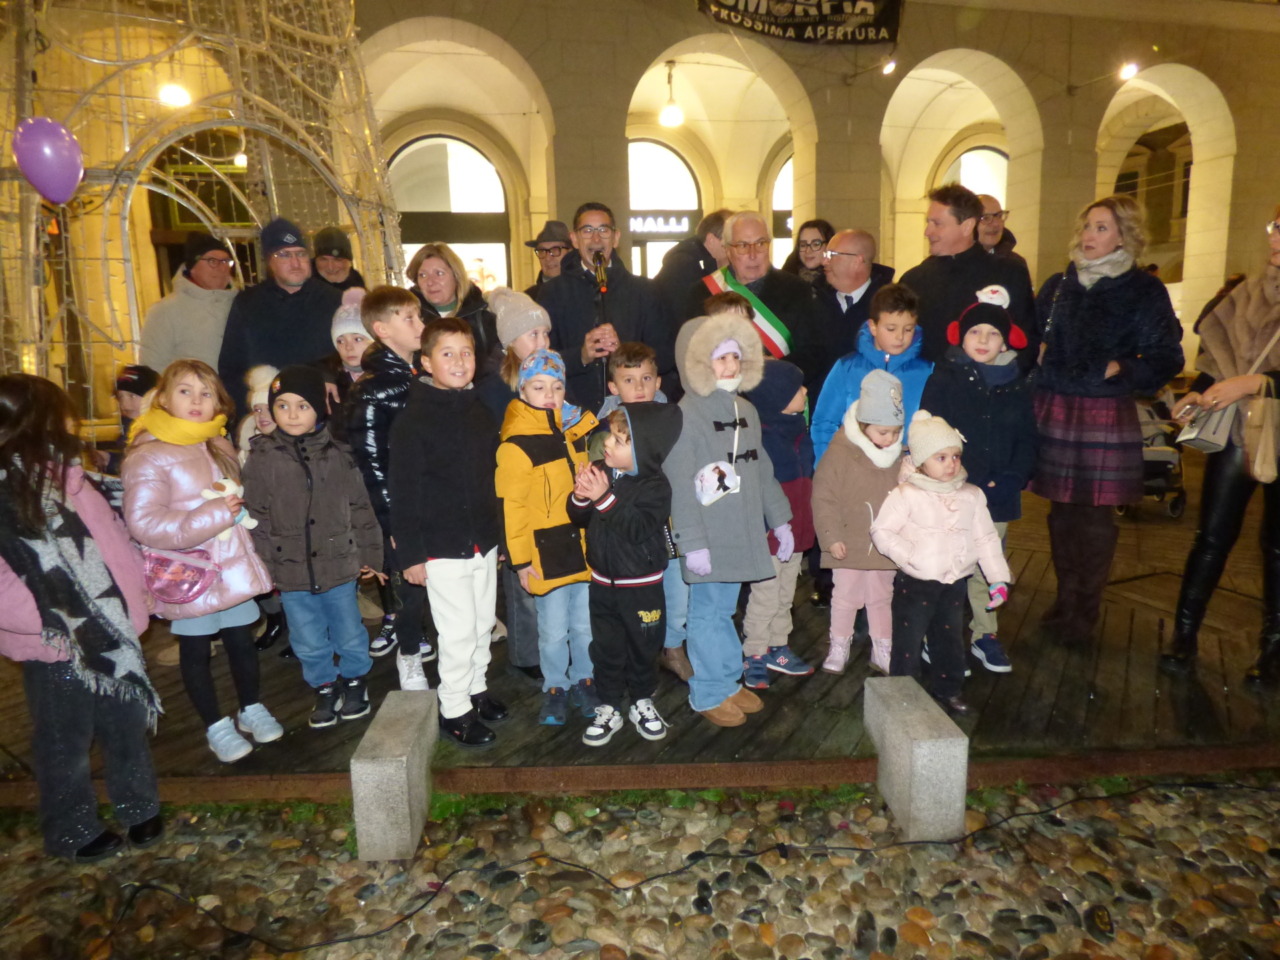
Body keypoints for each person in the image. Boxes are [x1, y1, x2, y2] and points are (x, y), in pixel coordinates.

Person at [0, 374, 163, 863]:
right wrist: (56, 617)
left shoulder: (70, 474)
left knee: (125, 724)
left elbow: (109, 536)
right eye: (62, 410)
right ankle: (71, 828)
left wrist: (137, 586)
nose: (73, 418)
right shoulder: (8, 493)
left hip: (112, 632)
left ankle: (138, 806)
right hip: (57, 645)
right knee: (63, 740)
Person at [1031, 194, 1184, 643]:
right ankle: (1064, 598)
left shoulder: (1143, 288)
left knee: (1096, 517)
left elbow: (1166, 355)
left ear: (1124, 234)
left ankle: (1085, 612)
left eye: (1101, 227)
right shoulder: (1059, 284)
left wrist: (1122, 368)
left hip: (1103, 407)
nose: (1089, 236)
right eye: (1087, 226)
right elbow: (1030, 334)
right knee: (1061, 513)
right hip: (1057, 403)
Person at [122, 360, 281, 763]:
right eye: (185, 391)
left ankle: (251, 706)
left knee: (242, 642)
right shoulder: (149, 454)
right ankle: (215, 724)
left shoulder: (217, 442)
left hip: (232, 565)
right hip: (188, 573)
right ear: (164, 398)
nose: (196, 401)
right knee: (195, 651)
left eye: (206, 393)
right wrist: (215, 515)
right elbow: (144, 522)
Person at [1161, 208, 1280, 682]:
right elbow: (1219, 359)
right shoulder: (1248, 293)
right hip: (1238, 430)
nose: (1277, 239)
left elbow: (1248, 375)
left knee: (1277, 546)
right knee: (1212, 535)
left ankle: (1273, 652)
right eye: (1275, 228)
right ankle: (1183, 638)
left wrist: (1255, 383)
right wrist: (1201, 390)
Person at [664, 311, 792, 727]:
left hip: (741, 531)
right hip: (708, 536)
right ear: (696, 362)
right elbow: (680, 485)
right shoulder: (686, 415)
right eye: (720, 359)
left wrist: (781, 519)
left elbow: (763, 470)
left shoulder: (746, 412)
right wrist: (691, 542)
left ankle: (727, 680)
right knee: (706, 614)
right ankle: (707, 692)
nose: (731, 367)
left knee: (724, 611)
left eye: (736, 357)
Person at [242, 365, 382, 727]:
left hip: (338, 563)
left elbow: (360, 507)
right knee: (306, 637)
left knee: (348, 628)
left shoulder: (339, 454)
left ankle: (354, 679)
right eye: (283, 406)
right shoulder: (262, 458)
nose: (292, 414)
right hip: (289, 569)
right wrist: (264, 565)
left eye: (302, 406)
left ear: (320, 409)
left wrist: (371, 554)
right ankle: (323, 684)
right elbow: (255, 516)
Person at [390, 318, 507, 746]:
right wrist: (412, 556)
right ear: (425, 362)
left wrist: (496, 539)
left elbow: (490, 480)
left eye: (467, 352)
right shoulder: (413, 421)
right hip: (440, 546)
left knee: (480, 625)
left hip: (481, 540)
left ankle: (475, 688)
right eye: (447, 353)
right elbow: (402, 493)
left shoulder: (479, 410)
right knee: (456, 631)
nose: (460, 361)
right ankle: (454, 708)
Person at [920, 298, 1038, 674]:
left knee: (989, 564)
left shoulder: (1016, 385)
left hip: (998, 493)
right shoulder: (945, 377)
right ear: (962, 336)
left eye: (993, 333)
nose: (984, 339)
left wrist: (1013, 477)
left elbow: (1027, 438)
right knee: (947, 561)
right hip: (952, 488)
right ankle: (939, 634)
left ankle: (984, 633)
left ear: (1006, 342)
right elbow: (928, 430)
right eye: (975, 332)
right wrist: (949, 473)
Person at [871, 411, 1011, 717]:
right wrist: (910, 556)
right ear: (921, 461)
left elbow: (987, 538)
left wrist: (998, 578)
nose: (951, 464)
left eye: (955, 456)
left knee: (949, 640)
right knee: (908, 642)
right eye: (941, 457)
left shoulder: (972, 496)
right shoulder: (906, 494)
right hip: (916, 582)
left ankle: (949, 689)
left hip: (954, 583)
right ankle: (902, 694)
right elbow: (881, 531)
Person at [496, 349, 600, 726]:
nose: (550, 394)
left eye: (557, 386)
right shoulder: (516, 443)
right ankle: (555, 685)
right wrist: (521, 560)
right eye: (539, 387)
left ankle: (584, 679)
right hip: (545, 553)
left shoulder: (573, 432)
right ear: (523, 391)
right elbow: (513, 508)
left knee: (585, 623)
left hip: (581, 547)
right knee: (553, 629)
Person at [568, 402, 682, 745]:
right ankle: (609, 707)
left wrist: (602, 497)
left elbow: (636, 528)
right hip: (602, 583)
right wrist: (579, 496)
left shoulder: (656, 487)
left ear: (642, 449)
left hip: (642, 586)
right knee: (606, 648)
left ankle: (642, 701)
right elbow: (578, 518)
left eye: (618, 441)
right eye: (611, 437)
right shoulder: (603, 471)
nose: (607, 445)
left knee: (644, 647)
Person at [345, 286, 432, 687]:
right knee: (408, 586)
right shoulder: (373, 387)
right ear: (382, 329)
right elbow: (371, 461)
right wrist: (391, 520)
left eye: (419, 316)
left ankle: (433, 644)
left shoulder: (423, 376)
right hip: (400, 505)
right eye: (409, 318)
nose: (420, 325)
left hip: (430, 496)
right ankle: (409, 653)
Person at [537, 202, 675, 410]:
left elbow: (666, 356)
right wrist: (581, 355)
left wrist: (625, 352)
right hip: (573, 413)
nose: (596, 238)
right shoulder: (550, 294)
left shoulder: (645, 291)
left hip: (633, 413)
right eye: (587, 231)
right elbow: (539, 361)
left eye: (603, 230)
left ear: (616, 237)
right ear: (574, 239)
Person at [811, 370, 904, 675]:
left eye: (894, 432)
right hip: (847, 541)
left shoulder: (900, 456)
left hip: (884, 544)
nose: (889, 439)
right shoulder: (840, 453)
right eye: (882, 432)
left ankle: (883, 647)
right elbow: (824, 496)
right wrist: (830, 535)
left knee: (881, 597)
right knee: (845, 596)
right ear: (863, 425)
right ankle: (839, 644)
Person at [483, 287, 550, 682]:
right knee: (522, 581)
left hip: (548, 492)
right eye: (532, 335)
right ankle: (527, 654)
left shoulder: (550, 378)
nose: (541, 342)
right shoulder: (494, 389)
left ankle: (550, 643)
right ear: (510, 342)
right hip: (514, 493)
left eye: (545, 333)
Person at [686, 211, 826, 399]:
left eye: (760, 244)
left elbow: (813, 353)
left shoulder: (798, 290)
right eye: (742, 246)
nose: (753, 255)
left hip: (778, 397)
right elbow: (690, 355)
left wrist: (774, 369)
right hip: (722, 401)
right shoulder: (702, 293)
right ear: (728, 249)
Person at [898, 183, 1037, 366]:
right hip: (928, 388)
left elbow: (1026, 340)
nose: (927, 232)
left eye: (937, 224)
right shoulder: (913, 280)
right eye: (928, 223)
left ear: (967, 226)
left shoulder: (1009, 273)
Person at [740, 359, 816, 688]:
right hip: (771, 532)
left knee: (786, 594)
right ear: (777, 397)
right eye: (797, 388)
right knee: (766, 594)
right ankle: (754, 651)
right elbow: (759, 489)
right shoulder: (762, 437)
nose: (805, 391)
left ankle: (778, 645)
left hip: (797, 529)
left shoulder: (799, 429)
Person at [218, 218, 343, 416]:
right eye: (284, 255)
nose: (295, 263)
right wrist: (248, 414)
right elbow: (232, 368)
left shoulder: (334, 301)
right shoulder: (247, 304)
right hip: (266, 415)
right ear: (270, 261)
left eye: (300, 254)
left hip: (323, 415)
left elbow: (352, 357)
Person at [809, 283, 932, 464]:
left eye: (908, 329)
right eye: (891, 329)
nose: (900, 337)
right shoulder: (847, 367)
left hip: (906, 470)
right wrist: (826, 465)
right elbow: (824, 421)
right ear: (873, 327)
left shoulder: (927, 371)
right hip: (852, 465)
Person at [813, 229, 896, 401]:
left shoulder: (889, 305)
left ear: (857, 260)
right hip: (822, 408)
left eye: (831, 254)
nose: (824, 261)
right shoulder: (814, 300)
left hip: (875, 406)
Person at [406, 242, 502, 386]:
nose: (430, 282)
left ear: (456, 276)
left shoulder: (483, 318)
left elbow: (496, 369)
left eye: (439, 273)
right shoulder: (408, 320)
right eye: (423, 275)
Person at [141, 231, 237, 372]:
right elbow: (152, 367)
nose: (222, 267)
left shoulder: (243, 305)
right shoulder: (165, 311)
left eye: (226, 261)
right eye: (212, 261)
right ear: (192, 266)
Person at [653, 209, 732, 319]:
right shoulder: (683, 266)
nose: (735, 247)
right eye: (731, 240)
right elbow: (686, 317)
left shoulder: (697, 261)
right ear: (711, 240)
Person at [101, 364, 159, 476]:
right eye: (120, 397)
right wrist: (108, 458)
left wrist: (113, 463)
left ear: (153, 397)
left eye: (132, 396)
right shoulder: (129, 425)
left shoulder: (162, 431)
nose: (124, 404)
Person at [975, 195, 1028, 269]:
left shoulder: (1015, 265)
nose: (996, 224)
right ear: (968, 224)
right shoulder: (956, 262)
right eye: (986, 218)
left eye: (999, 216)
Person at [524, 220, 573, 298]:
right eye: (542, 251)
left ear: (571, 252)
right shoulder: (528, 300)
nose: (547, 258)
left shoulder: (587, 292)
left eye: (555, 250)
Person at [781, 219, 836, 285]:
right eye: (803, 245)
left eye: (815, 244)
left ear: (829, 245)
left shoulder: (840, 282)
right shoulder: (784, 282)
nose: (808, 251)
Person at [313, 226, 366, 291]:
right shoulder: (304, 281)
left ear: (348, 261)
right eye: (324, 259)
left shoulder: (356, 281)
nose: (330, 267)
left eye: (337, 260)